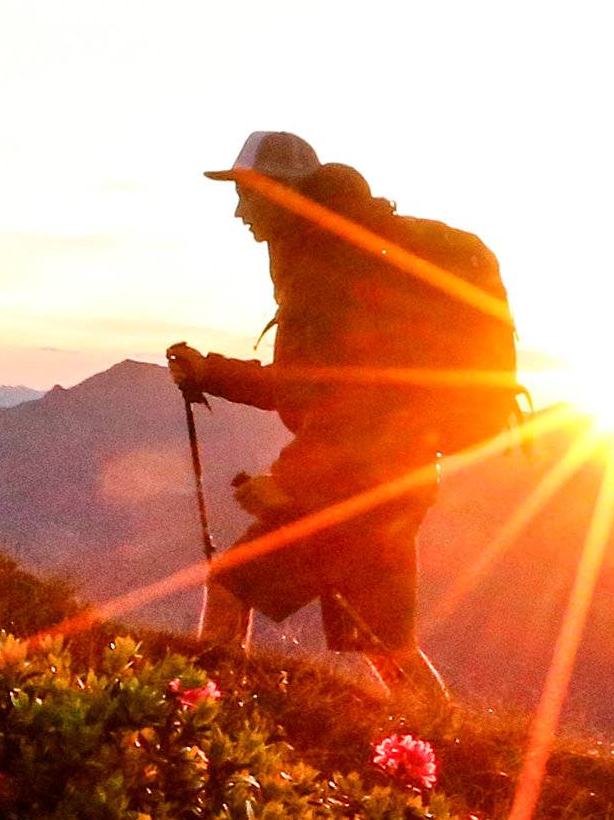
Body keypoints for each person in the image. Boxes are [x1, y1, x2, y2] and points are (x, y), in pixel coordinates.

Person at [166, 129, 454, 698]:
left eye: (246, 194)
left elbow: (354, 401)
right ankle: (450, 748)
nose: (238, 211)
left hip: (351, 487)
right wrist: (210, 373)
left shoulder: (324, 275)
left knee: (232, 584)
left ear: (278, 195)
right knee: (382, 640)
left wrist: (293, 484)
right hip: (398, 480)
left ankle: (198, 720)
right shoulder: (340, 260)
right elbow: (311, 386)